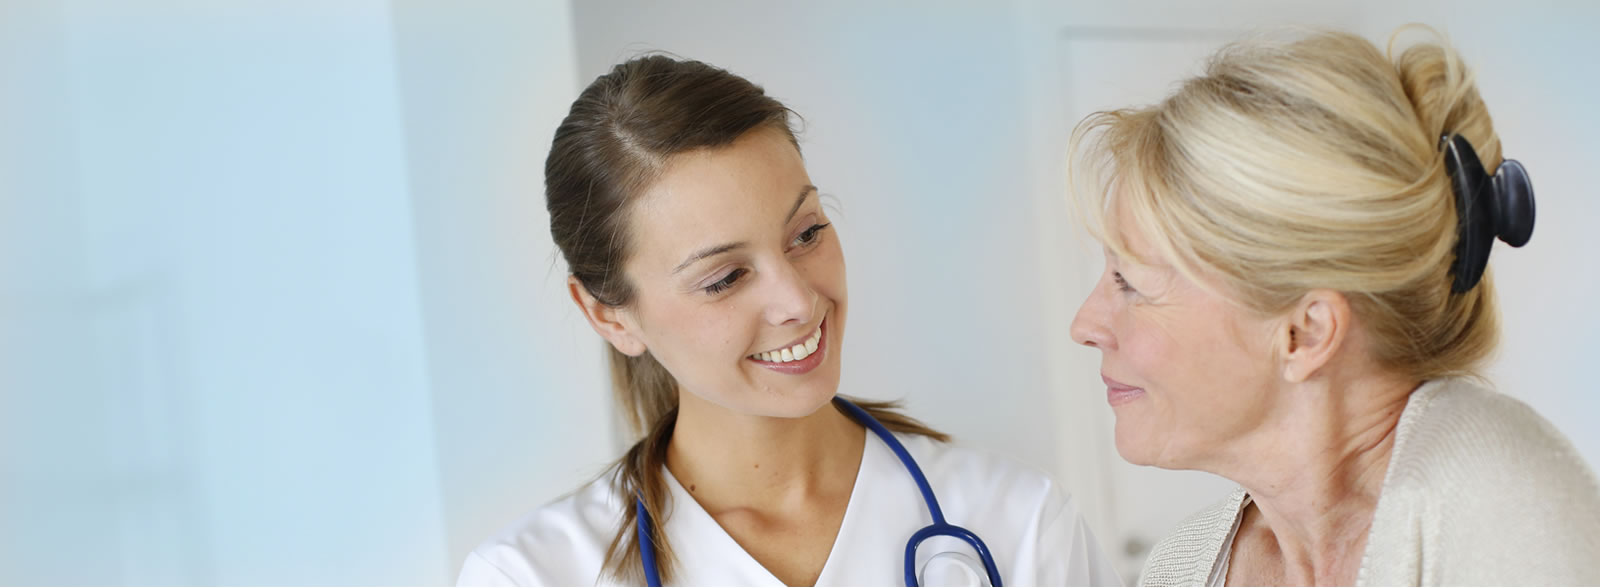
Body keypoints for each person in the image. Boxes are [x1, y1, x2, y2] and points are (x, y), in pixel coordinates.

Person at [457, 55, 1120, 586]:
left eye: (806, 234)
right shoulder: (532, 574)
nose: (799, 301)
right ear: (608, 316)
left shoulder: (1019, 524)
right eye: (724, 278)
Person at [1066, 26, 1600, 586]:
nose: (1086, 325)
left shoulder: (1506, 515)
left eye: (1130, 281)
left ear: (1306, 333)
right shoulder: (1182, 566)